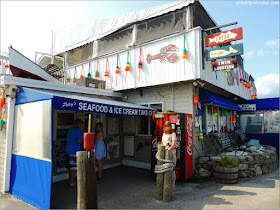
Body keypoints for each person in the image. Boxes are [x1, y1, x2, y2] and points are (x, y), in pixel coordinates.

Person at [66, 119, 84, 187]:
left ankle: (70, 180)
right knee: (74, 168)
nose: (81, 125)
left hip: (68, 150)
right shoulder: (78, 130)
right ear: (79, 123)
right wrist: (83, 141)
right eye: (81, 123)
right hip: (74, 151)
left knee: (69, 168)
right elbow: (79, 141)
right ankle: (72, 182)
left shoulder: (70, 129)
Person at [161, 121, 177, 191]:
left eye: (168, 126)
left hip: (171, 154)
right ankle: (166, 185)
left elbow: (174, 145)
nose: (167, 127)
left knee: (172, 169)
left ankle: (173, 185)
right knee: (165, 169)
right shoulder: (164, 134)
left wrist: (168, 150)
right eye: (166, 126)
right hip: (164, 154)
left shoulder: (173, 134)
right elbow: (162, 143)